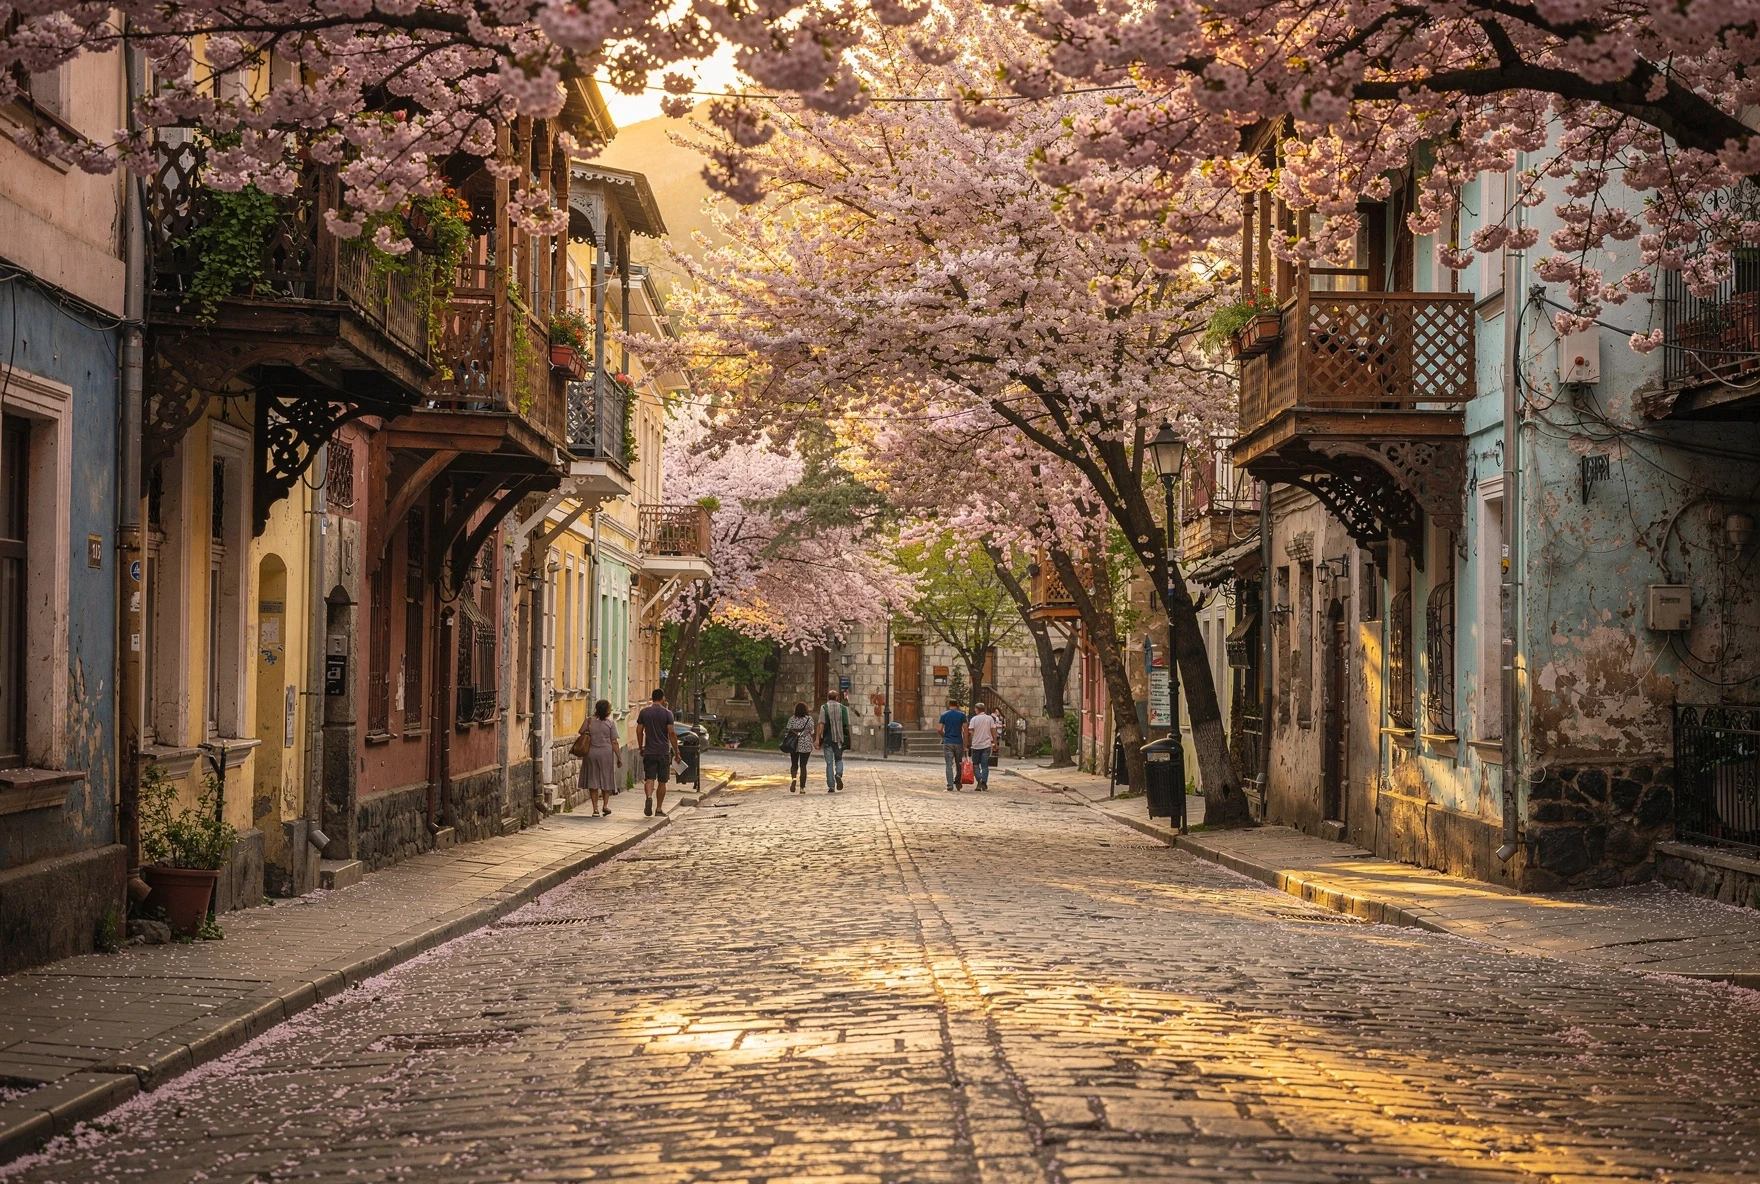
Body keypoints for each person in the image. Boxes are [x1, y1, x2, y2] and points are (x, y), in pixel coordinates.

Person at [635, 689, 680, 817]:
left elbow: (639, 730)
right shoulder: (667, 714)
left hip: (649, 751)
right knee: (662, 781)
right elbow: (671, 733)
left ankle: (649, 797)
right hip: (663, 751)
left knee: (649, 778)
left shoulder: (644, 712)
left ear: (652, 698)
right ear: (662, 698)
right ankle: (659, 808)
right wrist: (677, 751)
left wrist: (640, 746)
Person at [579, 699, 622, 816]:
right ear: (608, 711)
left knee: (593, 779)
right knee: (606, 778)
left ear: (596, 709)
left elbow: (581, 732)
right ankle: (605, 805)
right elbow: (614, 742)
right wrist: (619, 757)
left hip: (591, 753)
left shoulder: (589, 720)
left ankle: (595, 809)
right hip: (606, 754)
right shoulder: (611, 723)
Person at [815, 691, 852, 792]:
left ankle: (831, 786)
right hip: (839, 739)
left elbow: (821, 724)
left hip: (828, 739)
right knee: (839, 759)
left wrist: (817, 739)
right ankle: (839, 774)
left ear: (827, 698)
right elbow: (846, 724)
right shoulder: (843, 708)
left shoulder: (824, 708)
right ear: (837, 697)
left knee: (829, 763)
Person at [965, 701, 999, 791]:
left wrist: (969, 743)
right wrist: (995, 742)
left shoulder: (974, 719)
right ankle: (984, 782)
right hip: (986, 744)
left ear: (977, 709)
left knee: (975, 764)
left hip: (976, 744)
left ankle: (979, 779)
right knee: (984, 765)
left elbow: (971, 731)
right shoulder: (990, 719)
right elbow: (993, 731)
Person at [783, 701, 814, 792]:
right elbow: (812, 731)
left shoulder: (792, 719)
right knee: (803, 765)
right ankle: (802, 788)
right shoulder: (809, 719)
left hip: (794, 743)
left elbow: (789, 730)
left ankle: (793, 779)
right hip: (805, 743)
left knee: (794, 764)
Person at [938, 698, 968, 791]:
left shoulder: (944, 715)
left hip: (948, 742)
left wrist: (945, 736)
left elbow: (939, 729)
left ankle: (950, 785)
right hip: (958, 741)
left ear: (949, 705)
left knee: (949, 764)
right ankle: (958, 782)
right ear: (957, 705)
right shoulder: (962, 715)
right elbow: (965, 730)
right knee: (959, 764)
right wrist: (965, 745)